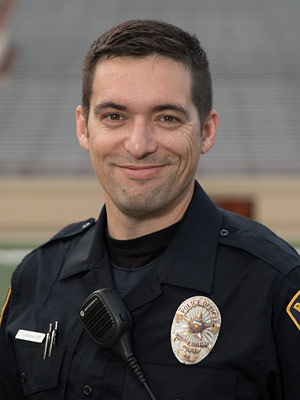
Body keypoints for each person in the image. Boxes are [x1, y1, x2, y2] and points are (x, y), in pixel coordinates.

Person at [0, 19, 299, 400]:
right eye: (114, 116)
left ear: (206, 131)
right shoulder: (37, 278)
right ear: (83, 127)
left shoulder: (276, 284)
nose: (139, 144)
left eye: (167, 118)